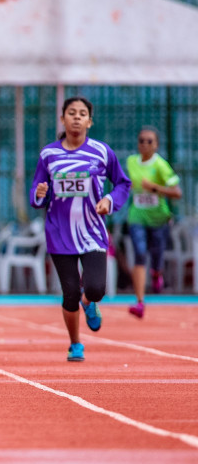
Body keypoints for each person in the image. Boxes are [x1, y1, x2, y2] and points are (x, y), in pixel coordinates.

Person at [32, 96, 130, 362]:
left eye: (82, 113)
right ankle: (75, 343)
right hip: (59, 232)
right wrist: (40, 193)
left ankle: (89, 303)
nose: (76, 117)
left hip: (93, 233)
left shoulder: (101, 152)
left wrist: (109, 201)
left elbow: (122, 183)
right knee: (70, 291)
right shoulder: (49, 155)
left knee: (96, 288)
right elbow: (36, 192)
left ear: (89, 120)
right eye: (71, 113)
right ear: (63, 119)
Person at [124, 126, 181, 319]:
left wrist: (155, 188)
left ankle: (157, 274)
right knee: (140, 254)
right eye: (141, 140)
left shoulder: (161, 165)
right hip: (137, 217)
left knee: (156, 256)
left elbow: (177, 193)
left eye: (149, 141)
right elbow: (126, 184)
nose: (145, 144)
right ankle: (140, 302)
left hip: (158, 219)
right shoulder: (131, 162)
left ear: (156, 144)